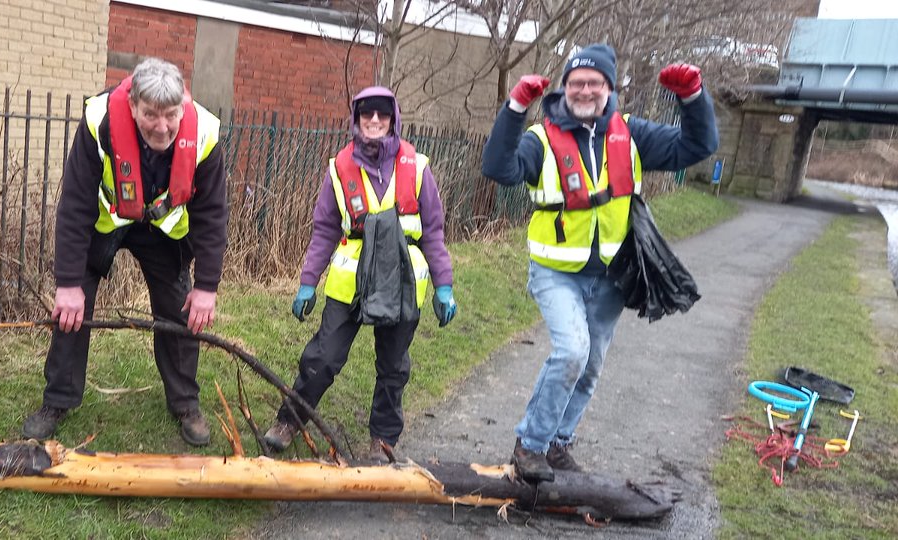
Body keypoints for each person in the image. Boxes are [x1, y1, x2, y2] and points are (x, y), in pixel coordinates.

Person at [480, 44, 718, 482]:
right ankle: (530, 445)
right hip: (555, 271)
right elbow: (498, 168)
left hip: (611, 276)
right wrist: (515, 107)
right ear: (565, 89)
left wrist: (692, 97)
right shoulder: (543, 138)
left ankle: (557, 444)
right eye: (576, 83)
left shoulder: (632, 134)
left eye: (595, 82)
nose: (585, 90)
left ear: (609, 88)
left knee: (589, 367)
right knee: (572, 351)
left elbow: (698, 145)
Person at [21, 57, 228, 447]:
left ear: (182, 108)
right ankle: (58, 401)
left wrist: (207, 286)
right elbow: (75, 202)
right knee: (70, 312)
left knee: (180, 314)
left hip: (164, 231)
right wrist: (67, 283)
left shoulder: (204, 135)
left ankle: (185, 403)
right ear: (132, 105)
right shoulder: (99, 120)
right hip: (106, 221)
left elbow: (213, 214)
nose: (162, 127)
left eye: (170, 115)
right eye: (150, 114)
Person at [260, 87, 458, 462]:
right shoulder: (339, 168)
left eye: (382, 115)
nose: (374, 121)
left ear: (393, 119)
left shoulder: (418, 167)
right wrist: (307, 282)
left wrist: (443, 285)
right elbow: (323, 230)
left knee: (393, 367)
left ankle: (382, 441)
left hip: (402, 281)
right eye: (367, 114)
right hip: (350, 281)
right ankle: (289, 421)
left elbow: (433, 231)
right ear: (356, 119)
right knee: (322, 357)